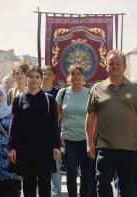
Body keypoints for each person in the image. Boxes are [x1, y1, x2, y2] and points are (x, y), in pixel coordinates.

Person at [86, 49, 137, 197]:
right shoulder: (97, 89)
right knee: (102, 183)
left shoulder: (136, 87)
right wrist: (90, 142)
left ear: (124, 66)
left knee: (127, 187)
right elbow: (90, 117)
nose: (115, 66)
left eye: (118, 63)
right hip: (104, 147)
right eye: (111, 63)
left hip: (129, 148)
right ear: (106, 66)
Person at [8, 66, 61, 197]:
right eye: (31, 76)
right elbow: (14, 125)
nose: (34, 80)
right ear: (27, 78)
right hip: (26, 149)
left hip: (45, 148)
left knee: (45, 185)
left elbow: (54, 125)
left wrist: (56, 146)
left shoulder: (49, 100)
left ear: (41, 79)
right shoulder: (19, 99)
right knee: (28, 185)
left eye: (37, 76)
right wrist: (12, 147)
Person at [57, 65, 92, 197]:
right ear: (69, 77)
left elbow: (94, 116)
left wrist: (92, 138)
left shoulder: (89, 93)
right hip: (68, 138)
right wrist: (58, 135)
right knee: (71, 171)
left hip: (85, 138)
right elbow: (57, 117)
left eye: (78, 74)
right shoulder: (63, 93)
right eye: (73, 74)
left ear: (83, 77)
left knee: (86, 172)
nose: (76, 76)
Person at [41, 65, 61, 197]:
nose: (46, 76)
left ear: (54, 76)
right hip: (38, 136)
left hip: (53, 135)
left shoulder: (58, 93)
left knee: (55, 167)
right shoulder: (35, 92)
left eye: (49, 74)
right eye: (44, 73)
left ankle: (56, 194)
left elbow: (60, 116)